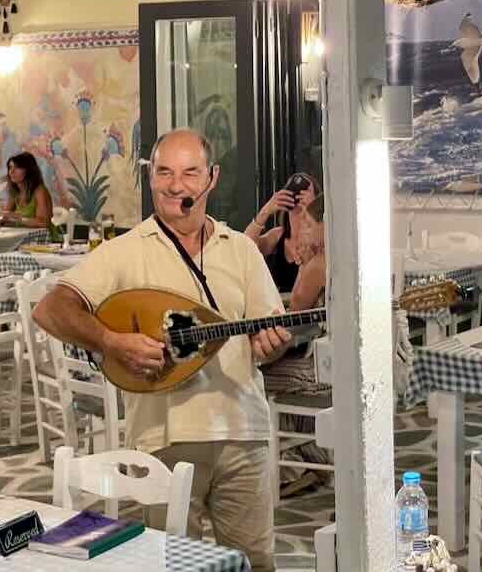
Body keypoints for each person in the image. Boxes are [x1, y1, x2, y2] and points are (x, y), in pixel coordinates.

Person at [32, 129, 291, 572]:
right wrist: (113, 342)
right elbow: (50, 309)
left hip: (242, 434)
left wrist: (269, 346)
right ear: (150, 178)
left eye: (190, 172)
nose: (177, 185)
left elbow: (266, 345)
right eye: (165, 172)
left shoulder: (243, 250)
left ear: (212, 178)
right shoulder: (123, 252)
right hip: (163, 441)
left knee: (256, 565)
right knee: (171, 565)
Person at [261, 194, 330, 496]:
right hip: (338, 365)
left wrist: (304, 265)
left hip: (318, 373)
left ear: (325, 226)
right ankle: (308, 459)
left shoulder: (318, 265)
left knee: (252, 377)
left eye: (310, 224)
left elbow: (294, 320)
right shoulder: (346, 259)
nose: (306, 231)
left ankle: (288, 465)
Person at [244, 173, 320, 293]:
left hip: (305, 306)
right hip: (277, 307)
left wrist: (313, 207)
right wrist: (265, 211)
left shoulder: (319, 238)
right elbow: (244, 246)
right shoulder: (277, 235)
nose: (298, 196)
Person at [3, 152, 53, 228]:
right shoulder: (15, 192)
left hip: (44, 238)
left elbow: (43, 222)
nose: (11, 172)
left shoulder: (39, 190)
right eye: (10, 167)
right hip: (23, 237)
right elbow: (5, 218)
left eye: (17, 167)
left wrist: (16, 217)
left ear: (28, 170)